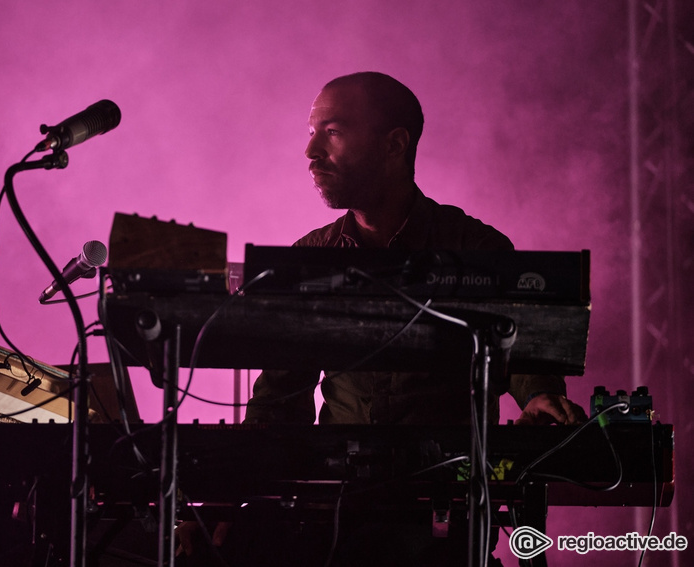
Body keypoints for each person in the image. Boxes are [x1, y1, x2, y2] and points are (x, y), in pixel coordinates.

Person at [178, 72, 588, 566]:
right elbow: (279, 396)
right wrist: (233, 492)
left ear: (395, 144)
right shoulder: (310, 255)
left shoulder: (477, 249)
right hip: (329, 514)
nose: (310, 152)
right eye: (311, 132)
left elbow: (520, 357)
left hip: (442, 511)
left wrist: (540, 397)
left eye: (332, 132)